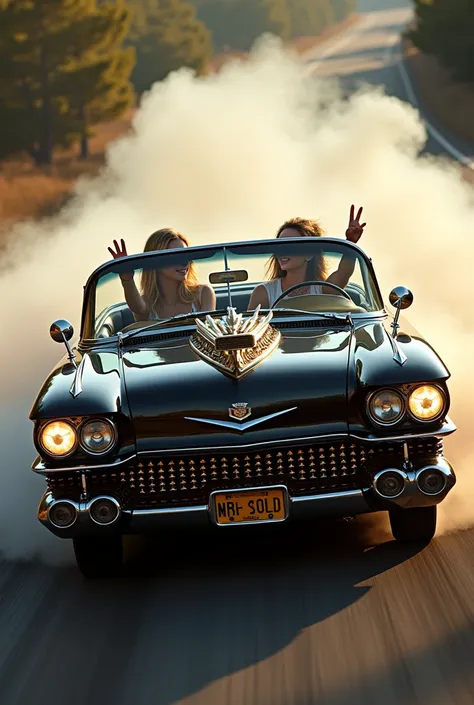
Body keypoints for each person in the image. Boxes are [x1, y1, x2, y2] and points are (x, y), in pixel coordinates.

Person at [248, 205, 366, 310]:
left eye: (290, 245)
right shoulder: (264, 292)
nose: (282, 251)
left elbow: (343, 273)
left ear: (309, 255)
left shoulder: (322, 289)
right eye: (279, 245)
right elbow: (251, 329)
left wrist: (351, 242)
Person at [107, 228, 216, 321]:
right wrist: (127, 279)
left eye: (186, 255)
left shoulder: (203, 294)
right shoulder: (147, 304)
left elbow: (207, 334)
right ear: (155, 262)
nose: (184, 262)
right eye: (175, 256)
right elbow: (137, 307)